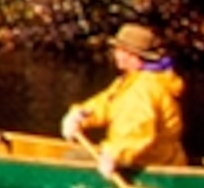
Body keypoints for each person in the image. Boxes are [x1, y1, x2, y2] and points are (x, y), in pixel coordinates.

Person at [61, 22, 187, 177]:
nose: (115, 54)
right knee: (74, 155)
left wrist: (115, 153)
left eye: (119, 50)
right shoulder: (134, 79)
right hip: (156, 157)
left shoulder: (143, 89)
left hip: (149, 161)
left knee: (71, 158)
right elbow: (107, 103)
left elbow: (138, 129)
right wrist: (80, 115)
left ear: (132, 55)